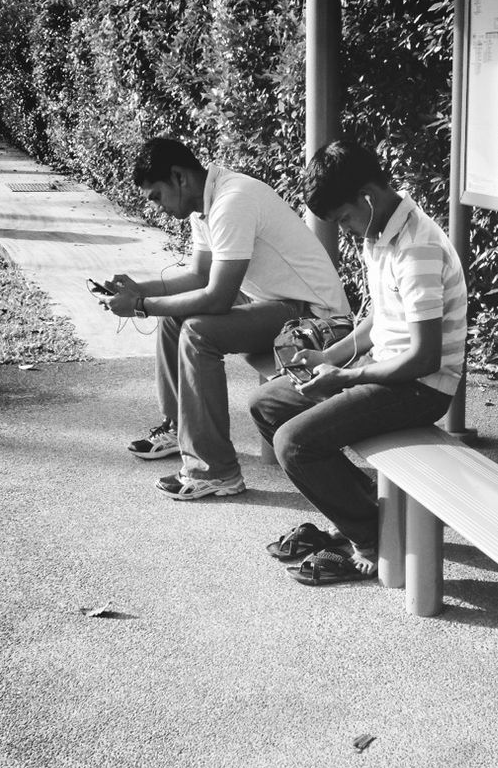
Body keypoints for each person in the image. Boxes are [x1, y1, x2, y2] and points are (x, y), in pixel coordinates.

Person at [249, 140, 468, 584]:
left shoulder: (416, 248)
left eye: (345, 217)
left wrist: (345, 377)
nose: (346, 229)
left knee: (294, 443)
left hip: (421, 388)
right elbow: (382, 316)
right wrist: (328, 357)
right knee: (266, 405)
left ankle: (371, 537)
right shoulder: (382, 231)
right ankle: (361, 505)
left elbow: (424, 357)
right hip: (389, 374)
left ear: (366, 197)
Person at [105, 137, 349, 500]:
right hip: (276, 306)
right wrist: (138, 288)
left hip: (313, 318)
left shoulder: (232, 202)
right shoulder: (206, 204)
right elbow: (199, 277)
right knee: (175, 318)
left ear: (179, 177)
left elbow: (217, 298)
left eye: (157, 196)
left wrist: (140, 304)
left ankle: (216, 472)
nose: (157, 207)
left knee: (198, 333)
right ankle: (180, 427)